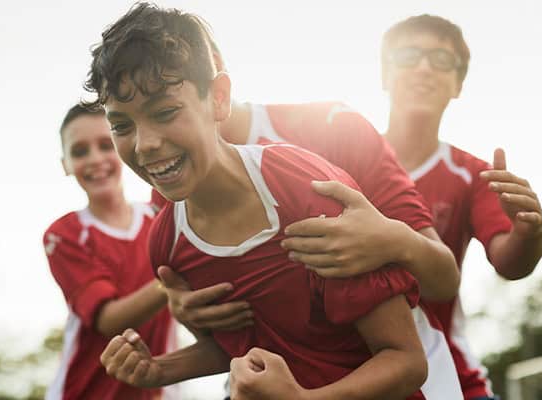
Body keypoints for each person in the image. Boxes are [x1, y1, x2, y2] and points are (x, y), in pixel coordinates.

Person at [86, 3, 443, 398]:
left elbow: (406, 360)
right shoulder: (168, 243)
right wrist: (158, 368)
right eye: (121, 125)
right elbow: (240, 344)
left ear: (218, 98)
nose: (146, 144)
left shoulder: (304, 187)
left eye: (166, 112)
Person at [378, 15, 542, 400]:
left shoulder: (474, 176)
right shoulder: (336, 160)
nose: (423, 67)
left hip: (447, 377)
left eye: (441, 59)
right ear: (385, 75)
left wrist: (530, 232)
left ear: (458, 84)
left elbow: (509, 261)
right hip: (343, 372)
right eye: (408, 55)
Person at [42, 103, 175, 399]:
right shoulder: (65, 235)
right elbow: (110, 321)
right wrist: (177, 275)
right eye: (79, 151)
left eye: (106, 145)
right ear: (65, 164)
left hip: (159, 391)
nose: (95, 159)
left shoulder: (161, 215)